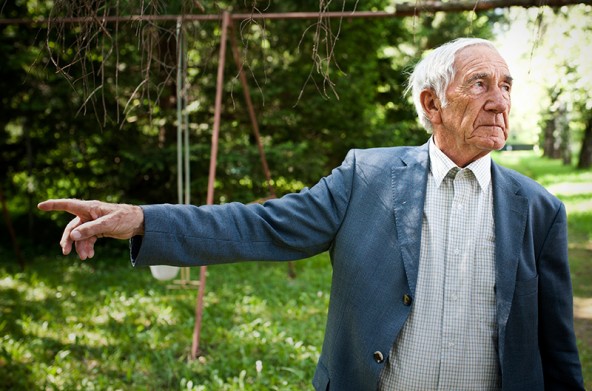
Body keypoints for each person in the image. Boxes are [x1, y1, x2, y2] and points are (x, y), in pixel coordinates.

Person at [38, 37, 585, 390]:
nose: (500, 100)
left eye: (507, 85)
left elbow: (557, 349)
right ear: (430, 104)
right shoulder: (366, 178)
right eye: (480, 84)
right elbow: (259, 226)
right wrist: (139, 218)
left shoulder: (539, 209)